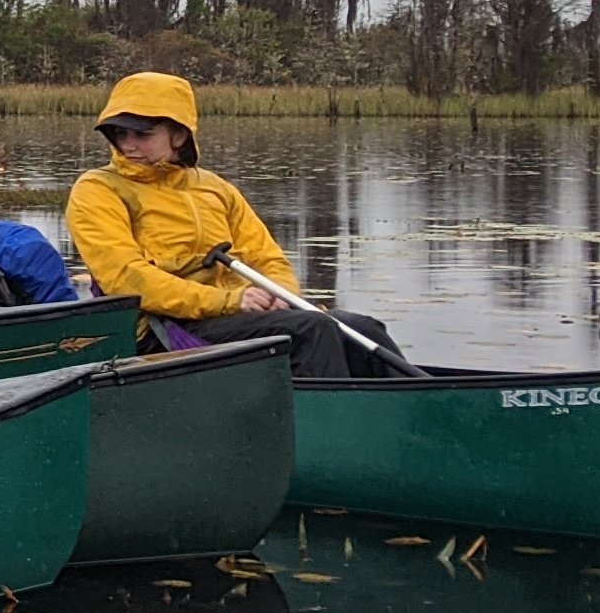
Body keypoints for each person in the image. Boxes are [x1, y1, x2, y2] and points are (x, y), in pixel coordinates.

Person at [64, 71, 416, 381]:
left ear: (179, 135)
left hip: (233, 315)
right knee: (313, 329)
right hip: (162, 328)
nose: (129, 145)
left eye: (143, 134)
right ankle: (332, 435)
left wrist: (281, 294)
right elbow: (126, 279)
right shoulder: (98, 189)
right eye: (120, 134)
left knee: (362, 328)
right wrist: (228, 301)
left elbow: (265, 256)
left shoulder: (215, 188)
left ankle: (414, 415)